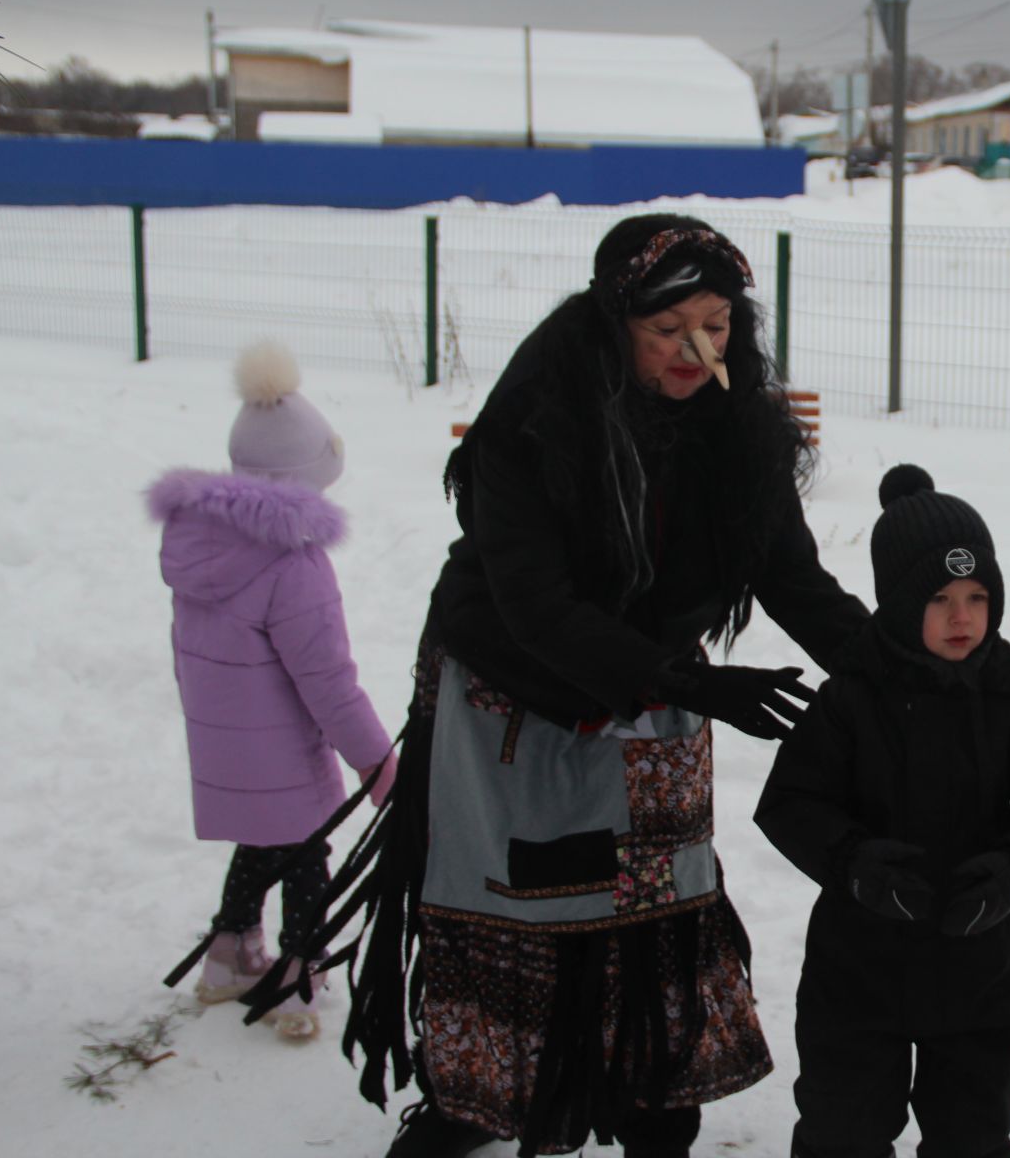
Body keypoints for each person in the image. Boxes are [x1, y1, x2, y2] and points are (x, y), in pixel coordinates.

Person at [254, 216, 870, 1158]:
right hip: (515, 693)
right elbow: (536, 607)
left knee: (656, 904)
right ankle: (478, 1099)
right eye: (669, 329)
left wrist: (900, 672)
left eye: (717, 325)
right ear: (616, 322)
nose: (698, 351)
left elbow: (792, 577)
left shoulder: (738, 422)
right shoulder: (540, 418)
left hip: (655, 685)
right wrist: (688, 686)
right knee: (530, 907)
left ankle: (654, 1099)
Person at [756, 465, 1010, 1158]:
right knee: (841, 1132)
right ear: (896, 601)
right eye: (939, 597)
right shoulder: (851, 694)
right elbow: (790, 802)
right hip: (859, 967)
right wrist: (854, 862)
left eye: (977, 596)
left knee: (971, 1136)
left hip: (978, 968)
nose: (962, 616)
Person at [150, 341, 398, 1041]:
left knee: (262, 839)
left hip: (221, 735)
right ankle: (296, 975)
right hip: (283, 742)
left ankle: (228, 954)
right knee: (306, 851)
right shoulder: (295, 563)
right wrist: (377, 761)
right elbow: (327, 681)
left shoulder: (197, 539)